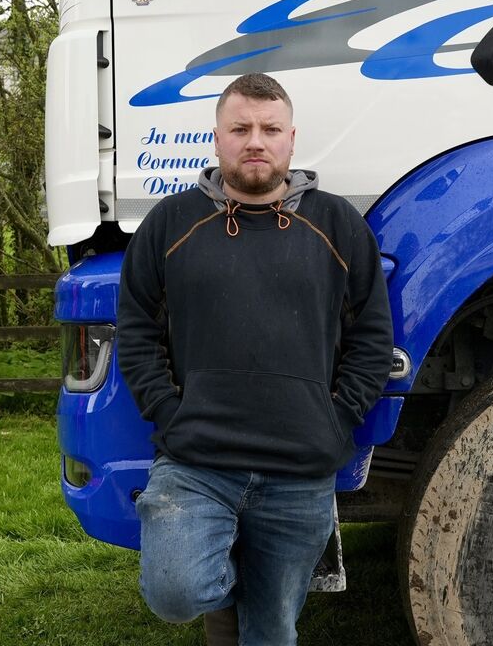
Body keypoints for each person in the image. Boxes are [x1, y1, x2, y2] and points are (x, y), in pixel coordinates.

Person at [116, 72, 393, 646]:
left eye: (270, 129)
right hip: (197, 462)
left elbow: (371, 336)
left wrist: (335, 419)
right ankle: (231, 590)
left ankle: (240, 615)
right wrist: (169, 412)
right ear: (217, 138)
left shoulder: (338, 223)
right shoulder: (170, 222)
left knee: (272, 631)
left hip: (299, 469)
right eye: (240, 129)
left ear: (291, 139)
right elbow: (137, 329)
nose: (255, 142)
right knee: (175, 591)